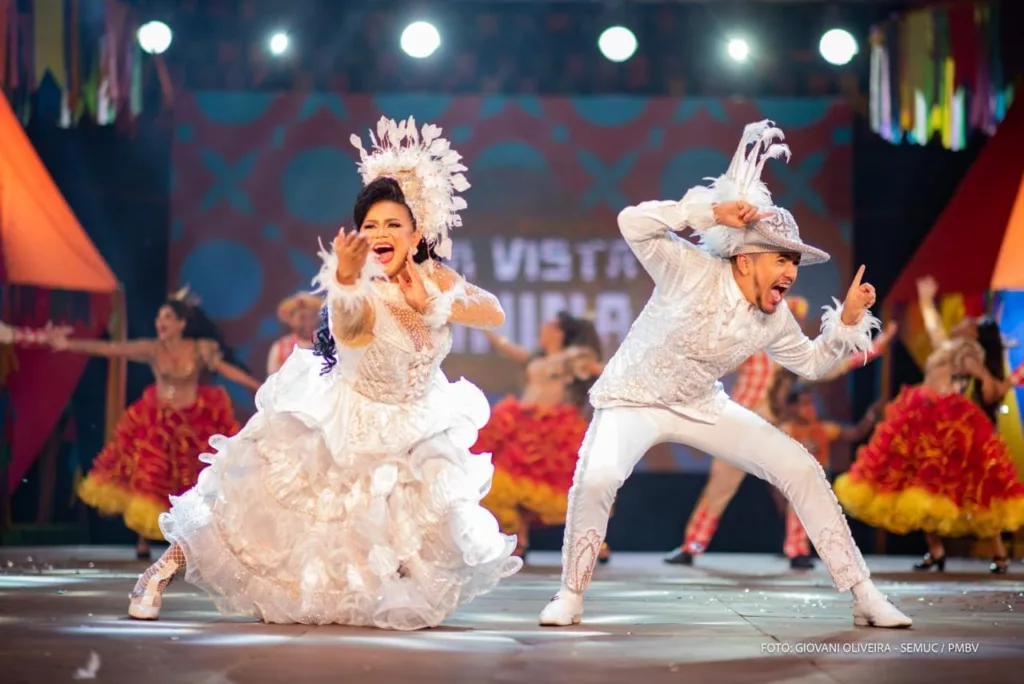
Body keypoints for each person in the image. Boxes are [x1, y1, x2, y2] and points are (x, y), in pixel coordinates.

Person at [128, 116, 522, 629]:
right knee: (247, 514)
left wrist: (436, 298)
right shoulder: (357, 286)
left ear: (415, 232)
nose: (380, 233)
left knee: (408, 523)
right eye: (371, 225)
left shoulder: (435, 278)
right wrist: (344, 276)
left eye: (392, 225)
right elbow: (352, 328)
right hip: (347, 417)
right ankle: (158, 573)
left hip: (416, 419)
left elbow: (494, 312)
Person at [538, 120, 912, 629]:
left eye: (795, 264)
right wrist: (707, 213)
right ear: (744, 258)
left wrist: (846, 323)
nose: (790, 272)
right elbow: (632, 221)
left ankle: (865, 594)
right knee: (599, 476)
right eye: (782, 259)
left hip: (701, 405)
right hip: (632, 399)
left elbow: (811, 363)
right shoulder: (689, 268)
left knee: (801, 467)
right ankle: (570, 594)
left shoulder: (774, 315)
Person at [32, 294, 260, 559]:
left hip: (193, 422)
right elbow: (112, 349)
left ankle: (194, 541)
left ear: (181, 324)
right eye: (158, 317)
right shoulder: (152, 348)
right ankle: (143, 538)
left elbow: (228, 370)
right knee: (150, 477)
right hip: (159, 421)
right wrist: (68, 344)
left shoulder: (199, 348)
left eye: (167, 318)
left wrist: (258, 386)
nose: (160, 322)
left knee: (193, 480)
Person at [665, 316, 896, 568]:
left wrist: (878, 346)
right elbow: (713, 361)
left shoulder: (793, 357)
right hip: (738, 429)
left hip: (771, 431)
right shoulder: (749, 349)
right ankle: (691, 546)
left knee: (797, 484)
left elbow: (834, 367)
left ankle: (797, 550)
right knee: (717, 491)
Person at [835, 275, 1024, 574]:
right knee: (920, 487)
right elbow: (936, 330)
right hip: (921, 416)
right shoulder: (951, 346)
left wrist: (993, 378)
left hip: (948, 421)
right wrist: (925, 300)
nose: (964, 320)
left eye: (971, 321)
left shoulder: (967, 351)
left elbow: (987, 385)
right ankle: (936, 551)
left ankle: (999, 553)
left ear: (975, 333)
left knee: (975, 488)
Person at [475, 312, 608, 561]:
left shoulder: (573, 358)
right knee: (500, 485)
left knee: (570, 491)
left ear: (559, 331)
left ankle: (596, 542)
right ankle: (518, 539)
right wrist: (485, 327)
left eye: (548, 325)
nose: (542, 328)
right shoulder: (537, 357)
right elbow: (509, 349)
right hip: (521, 426)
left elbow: (599, 370)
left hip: (551, 432)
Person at [778, 387, 883, 568]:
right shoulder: (785, 430)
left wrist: (870, 416)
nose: (810, 408)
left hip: (820, 482)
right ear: (792, 407)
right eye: (804, 404)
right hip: (796, 481)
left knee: (827, 520)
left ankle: (827, 554)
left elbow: (855, 433)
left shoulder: (824, 428)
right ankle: (796, 552)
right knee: (797, 514)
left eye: (812, 403)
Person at [266, 292, 322, 375]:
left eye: (312, 317)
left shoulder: (330, 343)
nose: (308, 323)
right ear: (291, 320)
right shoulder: (280, 348)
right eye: (302, 318)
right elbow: (273, 383)